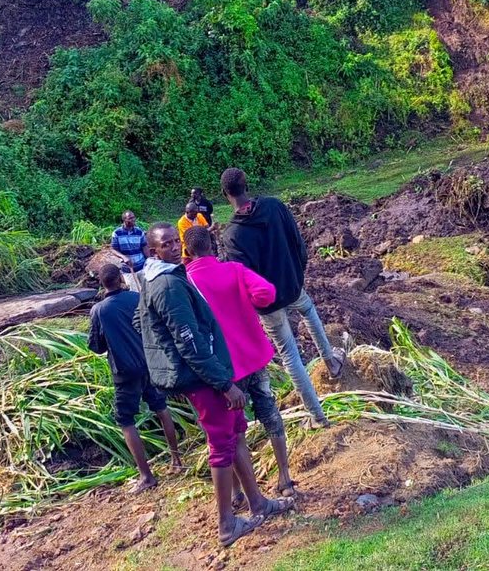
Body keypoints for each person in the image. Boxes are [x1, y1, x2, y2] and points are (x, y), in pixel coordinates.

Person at [138, 223, 293, 547]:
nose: (172, 247)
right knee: (222, 443)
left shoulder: (164, 277)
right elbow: (189, 342)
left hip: (214, 372)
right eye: (164, 244)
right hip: (206, 379)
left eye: (174, 241)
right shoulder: (167, 284)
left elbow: (145, 322)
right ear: (153, 251)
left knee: (236, 430)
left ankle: (257, 503)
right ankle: (226, 524)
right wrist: (225, 384)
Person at [219, 167, 344, 427]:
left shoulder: (232, 234)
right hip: (292, 283)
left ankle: (317, 417)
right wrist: (297, 273)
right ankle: (331, 362)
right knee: (309, 311)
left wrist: (256, 303)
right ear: (247, 185)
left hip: (268, 303)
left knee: (290, 354)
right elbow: (298, 241)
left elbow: (243, 276)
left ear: (224, 194)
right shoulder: (274, 207)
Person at [184, 225, 297, 498]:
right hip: (254, 357)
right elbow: (267, 293)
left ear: (186, 251)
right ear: (212, 244)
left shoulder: (187, 282)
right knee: (270, 414)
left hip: (225, 371)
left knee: (233, 429)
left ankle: (239, 490)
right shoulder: (233, 270)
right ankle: (284, 477)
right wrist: (247, 304)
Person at [88, 264, 183, 493]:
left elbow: (95, 346)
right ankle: (176, 460)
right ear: (121, 278)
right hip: (149, 363)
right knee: (161, 406)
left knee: (125, 420)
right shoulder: (136, 298)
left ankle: (146, 476)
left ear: (102, 284)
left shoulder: (99, 311)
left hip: (124, 371)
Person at [111, 211, 150, 290]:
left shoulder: (139, 232)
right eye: (130, 218)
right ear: (124, 220)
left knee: (146, 290)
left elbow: (144, 247)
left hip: (142, 267)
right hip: (128, 269)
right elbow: (113, 249)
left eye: (133, 217)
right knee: (135, 292)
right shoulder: (117, 233)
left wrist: (150, 259)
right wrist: (123, 257)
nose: (133, 220)